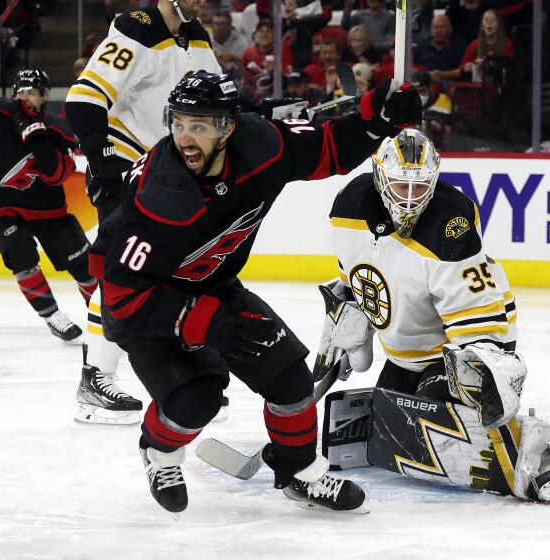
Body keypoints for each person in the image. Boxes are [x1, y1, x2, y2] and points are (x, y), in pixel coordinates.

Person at [88, 70, 421, 513]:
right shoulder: (159, 196)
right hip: (148, 305)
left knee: (291, 380)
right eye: (179, 123)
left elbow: (326, 148)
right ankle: (159, 451)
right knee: (196, 399)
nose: (185, 138)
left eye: (199, 126)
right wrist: (204, 322)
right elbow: (119, 302)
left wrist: (378, 116)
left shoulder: (262, 147)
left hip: (214, 286)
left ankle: (300, 472)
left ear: (228, 127)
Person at [316, 128, 550, 502]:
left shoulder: (449, 225)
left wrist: (481, 375)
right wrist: (348, 333)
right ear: (379, 176)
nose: (408, 199)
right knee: (390, 431)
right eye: (400, 186)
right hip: (407, 352)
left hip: (462, 344)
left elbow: (476, 319)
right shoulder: (349, 208)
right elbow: (355, 279)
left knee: (444, 425)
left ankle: (539, 453)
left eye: (418, 188)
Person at [64, 0, 223, 425]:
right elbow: (84, 99)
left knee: (175, 273)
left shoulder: (197, 37)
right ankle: (95, 378)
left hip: (170, 178)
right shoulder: (137, 28)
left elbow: (219, 106)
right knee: (122, 272)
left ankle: (181, 375)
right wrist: (100, 159)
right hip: (128, 169)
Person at [0, 51, 92, 344]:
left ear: (44, 97)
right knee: (21, 254)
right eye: (22, 91)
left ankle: (107, 314)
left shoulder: (55, 127)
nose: (27, 96)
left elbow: (55, 174)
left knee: (85, 265)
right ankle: (51, 315)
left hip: (49, 212)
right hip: (1, 210)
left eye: (34, 92)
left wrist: (35, 136)